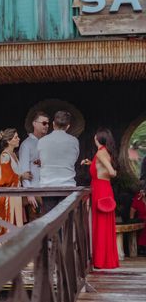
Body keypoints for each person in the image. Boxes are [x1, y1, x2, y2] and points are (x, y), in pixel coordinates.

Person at [81, 128, 119, 269]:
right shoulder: (104, 152)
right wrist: (91, 163)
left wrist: (113, 172)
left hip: (101, 190)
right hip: (103, 188)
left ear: (98, 137)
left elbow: (111, 172)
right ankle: (106, 259)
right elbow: (102, 168)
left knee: (101, 225)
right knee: (104, 225)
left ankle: (101, 260)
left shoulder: (101, 152)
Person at [37, 110, 80, 213]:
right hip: (67, 186)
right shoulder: (74, 141)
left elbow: (41, 160)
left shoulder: (42, 141)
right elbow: (74, 159)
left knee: (49, 222)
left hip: (48, 186)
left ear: (53, 124)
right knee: (67, 221)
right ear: (68, 126)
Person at [0, 129, 32, 235]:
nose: (18, 139)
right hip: (7, 196)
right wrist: (21, 176)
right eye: (16, 137)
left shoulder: (14, 155)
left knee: (16, 224)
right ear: (9, 141)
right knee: (8, 225)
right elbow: (5, 178)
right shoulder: (5, 155)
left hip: (15, 195)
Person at [18, 111, 50, 219]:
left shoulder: (48, 143)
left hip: (49, 191)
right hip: (34, 191)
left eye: (48, 123)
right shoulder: (26, 145)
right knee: (36, 225)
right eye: (44, 123)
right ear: (34, 123)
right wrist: (29, 193)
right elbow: (24, 171)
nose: (47, 126)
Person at [130, 182, 146, 256]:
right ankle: (142, 247)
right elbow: (133, 209)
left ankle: (143, 246)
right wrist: (131, 220)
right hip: (141, 219)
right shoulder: (138, 198)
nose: (142, 192)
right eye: (141, 190)